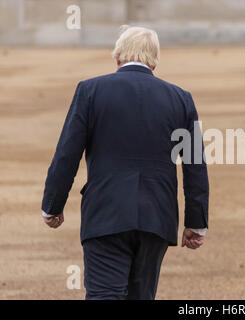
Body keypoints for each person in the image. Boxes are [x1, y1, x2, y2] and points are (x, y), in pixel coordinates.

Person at [41, 26, 209, 300]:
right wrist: (196, 221)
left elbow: (66, 155)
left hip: (106, 214)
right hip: (157, 215)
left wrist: (53, 205)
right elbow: (194, 165)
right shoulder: (181, 99)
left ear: (117, 57)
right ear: (154, 61)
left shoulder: (90, 90)